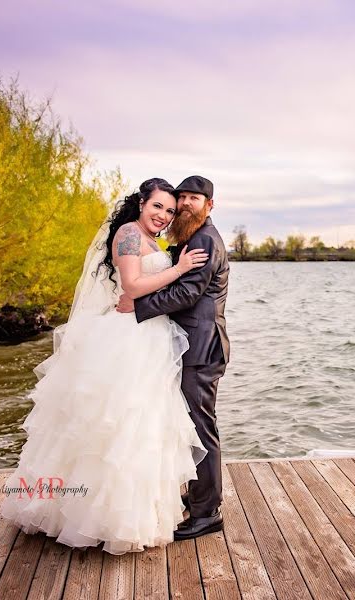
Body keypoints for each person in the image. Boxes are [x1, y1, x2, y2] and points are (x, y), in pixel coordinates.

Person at [0, 178, 210, 554]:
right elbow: (131, 286)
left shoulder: (151, 240)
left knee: (143, 427)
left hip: (148, 337)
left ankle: (131, 514)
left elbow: (146, 287)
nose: (163, 215)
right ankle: (90, 516)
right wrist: (178, 270)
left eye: (169, 210)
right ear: (141, 204)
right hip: (126, 339)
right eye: (157, 206)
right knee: (115, 425)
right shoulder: (129, 234)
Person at [116, 175, 230, 540]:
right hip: (190, 344)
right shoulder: (190, 237)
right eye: (181, 198)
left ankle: (207, 513)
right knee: (188, 425)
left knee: (200, 427)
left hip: (202, 347)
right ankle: (198, 497)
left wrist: (138, 306)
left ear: (209, 205)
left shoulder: (204, 241)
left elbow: (188, 294)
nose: (184, 204)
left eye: (193, 199)